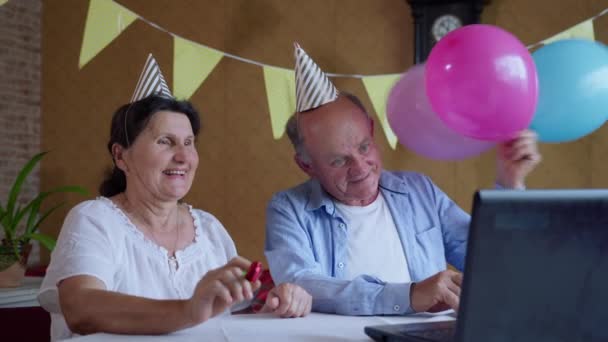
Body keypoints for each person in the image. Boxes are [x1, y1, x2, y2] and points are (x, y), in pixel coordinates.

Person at [38, 55, 311, 341]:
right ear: (121, 156)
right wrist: (188, 310)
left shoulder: (209, 229)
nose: (182, 157)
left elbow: (228, 319)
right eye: (165, 142)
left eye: (189, 143)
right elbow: (81, 308)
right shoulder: (94, 219)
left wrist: (271, 307)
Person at [264, 45, 541, 316]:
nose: (361, 167)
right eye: (339, 160)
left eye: (364, 147)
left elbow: (493, 261)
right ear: (306, 165)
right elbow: (301, 282)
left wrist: (509, 185)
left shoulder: (419, 191)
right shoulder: (288, 209)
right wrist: (410, 295)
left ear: (372, 130)